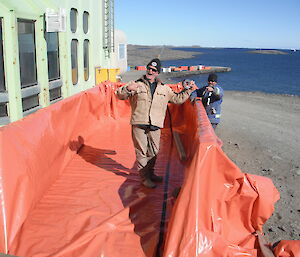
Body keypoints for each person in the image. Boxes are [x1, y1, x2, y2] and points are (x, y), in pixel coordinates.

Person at [115, 58, 195, 188]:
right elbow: (119, 95)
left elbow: (177, 99)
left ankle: (150, 174)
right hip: (139, 123)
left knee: (154, 152)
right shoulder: (136, 84)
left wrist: (189, 90)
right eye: (149, 68)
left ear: (157, 72)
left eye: (154, 70)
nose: (150, 71)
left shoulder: (164, 89)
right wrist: (128, 88)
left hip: (155, 125)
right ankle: (144, 178)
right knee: (141, 152)